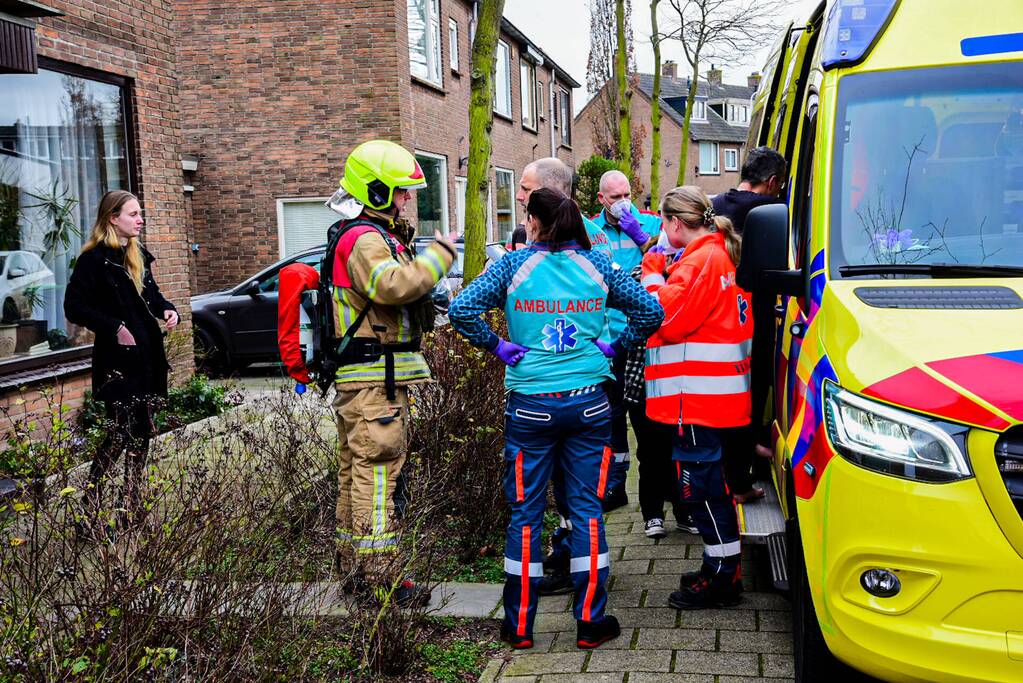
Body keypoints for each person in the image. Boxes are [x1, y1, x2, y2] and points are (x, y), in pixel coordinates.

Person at [449, 187, 662, 649]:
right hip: (589, 403)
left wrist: (498, 347)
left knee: (525, 515)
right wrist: (615, 346)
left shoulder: (510, 265)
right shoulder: (600, 265)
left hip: (530, 406)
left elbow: (461, 308)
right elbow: (650, 309)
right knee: (587, 512)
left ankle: (519, 628)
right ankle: (590, 623)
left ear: (535, 221)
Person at [324, 139, 456, 608]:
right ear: (376, 190)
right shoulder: (364, 239)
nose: (406, 200)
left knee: (356, 472)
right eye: (400, 192)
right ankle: (380, 579)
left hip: (371, 378)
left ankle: (354, 568)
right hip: (373, 382)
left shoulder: (370, 233)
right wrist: (439, 258)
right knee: (378, 476)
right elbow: (392, 286)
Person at [641, 186, 753, 609]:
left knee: (704, 489)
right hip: (715, 396)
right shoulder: (718, 251)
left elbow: (665, 318)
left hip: (698, 398)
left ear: (673, 223)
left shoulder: (701, 259)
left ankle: (723, 578)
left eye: (662, 225)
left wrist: (652, 272)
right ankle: (718, 567)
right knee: (711, 486)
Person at [515, 157, 614, 596]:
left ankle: (574, 559)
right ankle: (577, 564)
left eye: (526, 189)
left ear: (553, 193)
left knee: (572, 488)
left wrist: (613, 345)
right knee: (571, 487)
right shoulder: (546, 238)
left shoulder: (581, 243)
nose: (520, 196)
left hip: (574, 377)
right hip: (577, 377)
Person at [65, 190, 178, 538]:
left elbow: (152, 294)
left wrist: (166, 308)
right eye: (133, 214)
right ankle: (89, 513)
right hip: (117, 364)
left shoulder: (136, 253)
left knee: (141, 435)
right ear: (113, 218)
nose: (140, 219)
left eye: (140, 213)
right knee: (118, 436)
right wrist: (114, 327)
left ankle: (131, 507)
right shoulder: (93, 260)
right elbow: (75, 308)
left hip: (147, 359)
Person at [589, 170, 677, 536]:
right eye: (614, 197)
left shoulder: (651, 224)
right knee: (611, 420)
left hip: (644, 339)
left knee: (648, 420)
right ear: (600, 200)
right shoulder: (591, 232)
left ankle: (664, 492)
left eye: (626, 194)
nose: (622, 202)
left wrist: (644, 238)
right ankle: (615, 486)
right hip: (606, 338)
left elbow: (672, 263)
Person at [712, 147, 787, 504]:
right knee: (749, 394)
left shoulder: (715, 203)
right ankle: (740, 480)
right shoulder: (767, 212)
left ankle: (742, 456)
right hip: (750, 321)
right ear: (772, 183)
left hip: (717, 321)